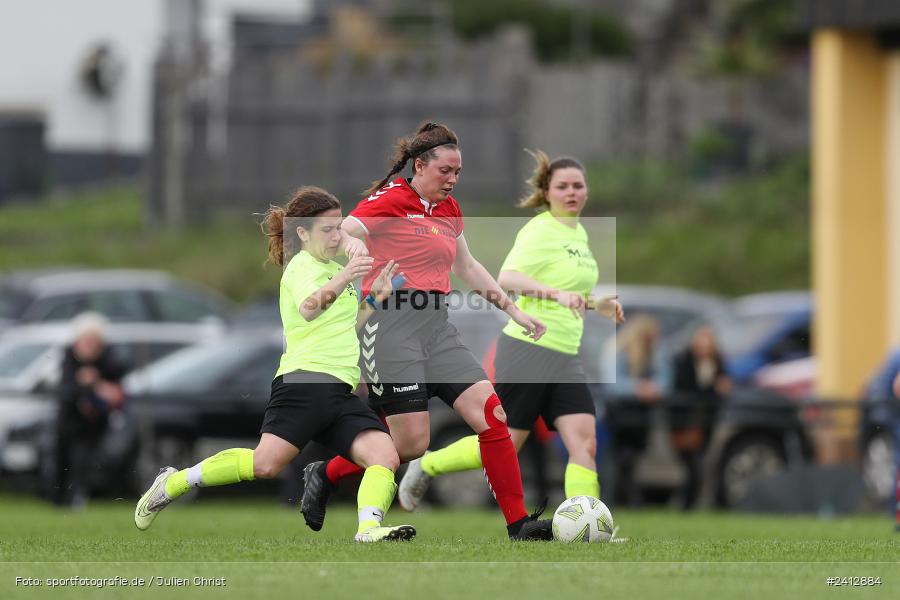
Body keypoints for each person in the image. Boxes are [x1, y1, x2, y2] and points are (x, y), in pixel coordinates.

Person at [299, 121, 553, 541]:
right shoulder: (391, 198)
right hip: (390, 330)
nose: (452, 179)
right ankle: (325, 473)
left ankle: (519, 525)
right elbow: (340, 233)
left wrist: (513, 310)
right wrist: (351, 245)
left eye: (458, 172)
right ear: (419, 166)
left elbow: (467, 267)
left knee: (492, 416)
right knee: (411, 446)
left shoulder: (449, 210)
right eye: (445, 171)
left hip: (437, 329)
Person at [134, 186, 415, 543]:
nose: (337, 236)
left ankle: (369, 529)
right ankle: (173, 483)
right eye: (328, 229)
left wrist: (374, 299)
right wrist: (347, 276)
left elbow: (348, 325)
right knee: (265, 465)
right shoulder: (302, 266)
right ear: (303, 233)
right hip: (305, 384)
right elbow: (309, 309)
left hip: (340, 391)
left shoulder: (336, 270)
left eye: (339, 227)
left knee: (384, 455)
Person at [394, 150, 624, 509]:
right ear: (547, 192)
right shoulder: (540, 230)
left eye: (578, 186)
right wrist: (557, 294)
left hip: (565, 355)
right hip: (528, 351)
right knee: (505, 444)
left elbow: (566, 292)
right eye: (562, 186)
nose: (571, 192)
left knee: (585, 442)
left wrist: (596, 304)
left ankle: (587, 522)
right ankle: (428, 464)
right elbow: (509, 278)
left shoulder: (578, 234)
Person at [54, 312, 127, 507]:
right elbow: (66, 390)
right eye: (86, 340)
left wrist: (96, 382)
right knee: (62, 458)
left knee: (85, 460)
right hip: (70, 420)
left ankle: (79, 496)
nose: (90, 345)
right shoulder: (69, 358)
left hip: (95, 424)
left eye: (94, 340)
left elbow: (118, 382)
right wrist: (82, 387)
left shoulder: (109, 360)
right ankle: (59, 499)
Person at [670, 324, 730, 510]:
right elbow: (686, 387)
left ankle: (689, 503)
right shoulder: (684, 361)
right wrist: (712, 386)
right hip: (684, 422)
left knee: (700, 464)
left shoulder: (717, 362)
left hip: (705, 422)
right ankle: (686, 503)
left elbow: (722, 387)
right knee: (692, 466)